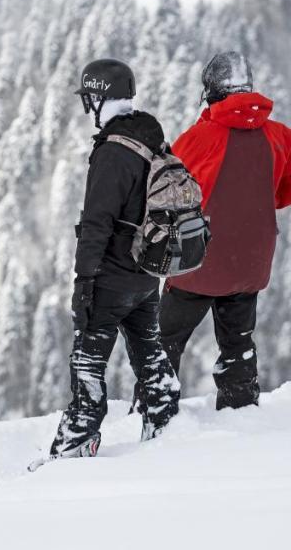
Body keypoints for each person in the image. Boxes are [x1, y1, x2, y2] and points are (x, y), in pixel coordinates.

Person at [158, 51, 291, 409]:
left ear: (211, 91)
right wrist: (264, 199)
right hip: (249, 262)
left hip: (197, 264)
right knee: (238, 340)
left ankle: (154, 409)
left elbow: (166, 196)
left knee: (165, 342)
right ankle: (240, 408)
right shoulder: (279, 136)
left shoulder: (196, 139)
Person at [47, 58, 181, 459]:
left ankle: (77, 441)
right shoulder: (152, 138)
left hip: (110, 278)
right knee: (149, 351)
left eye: (89, 98)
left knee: (88, 360)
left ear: (98, 98)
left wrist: (84, 280)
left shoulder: (111, 152)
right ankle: (167, 428)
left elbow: (96, 223)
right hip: (145, 275)